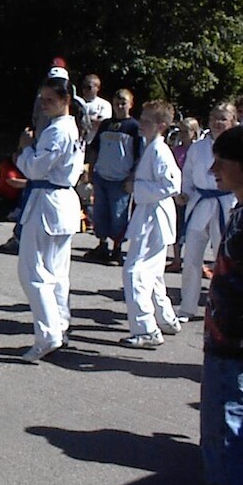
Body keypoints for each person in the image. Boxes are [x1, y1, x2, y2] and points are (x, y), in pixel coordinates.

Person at [170, 125, 243, 485]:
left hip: (237, 345)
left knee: (229, 429)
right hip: (220, 340)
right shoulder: (242, 209)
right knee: (215, 428)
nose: (212, 170)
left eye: (222, 164)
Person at [15, 75, 85, 362]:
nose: (44, 105)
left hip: (49, 203)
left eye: (50, 100)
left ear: (65, 101)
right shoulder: (72, 128)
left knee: (34, 272)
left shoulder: (58, 131)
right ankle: (60, 325)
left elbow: (35, 168)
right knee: (56, 273)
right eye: (42, 99)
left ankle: (48, 334)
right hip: (60, 201)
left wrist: (24, 148)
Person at [120, 101, 183, 348]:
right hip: (150, 213)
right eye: (141, 119)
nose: (141, 124)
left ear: (162, 126)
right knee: (154, 272)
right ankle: (167, 319)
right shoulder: (151, 147)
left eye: (147, 121)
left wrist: (136, 188)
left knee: (134, 271)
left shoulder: (160, 150)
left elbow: (172, 185)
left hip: (154, 217)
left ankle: (146, 329)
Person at [176, 103, 239, 323]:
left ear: (232, 121)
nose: (217, 122)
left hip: (226, 203)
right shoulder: (198, 147)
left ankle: (224, 307)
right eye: (214, 118)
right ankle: (187, 307)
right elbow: (188, 174)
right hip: (200, 203)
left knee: (225, 260)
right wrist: (185, 192)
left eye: (223, 118)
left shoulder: (238, 146)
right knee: (192, 257)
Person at [84, 89, 142, 265]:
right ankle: (102, 245)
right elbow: (95, 148)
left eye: (123, 102)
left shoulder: (134, 127)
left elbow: (139, 155)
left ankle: (117, 249)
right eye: (116, 102)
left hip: (120, 179)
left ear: (131, 104)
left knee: (119, 214)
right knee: (100, 212)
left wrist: (132, 177)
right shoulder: (106, 124)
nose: (119, 106)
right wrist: (91, 170)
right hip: (102, 175)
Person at [165, 117, 202, 273]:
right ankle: (177, 258)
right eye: (181, 131)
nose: (183, 134)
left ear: (194, 133)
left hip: (195, 194)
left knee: (196, 230)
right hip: (178, 194)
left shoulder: (198, 150)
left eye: (186, 131)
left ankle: (195, 261)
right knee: (178, 226)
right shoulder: (175, 151)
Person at [80, 74, 112, 145]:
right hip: (79, 143)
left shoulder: (104, 104)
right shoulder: (78, 103)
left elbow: (104, 123)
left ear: (97, 88)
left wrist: (85, 118)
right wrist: (93, 118)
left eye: (88, 87)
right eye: (83, 86)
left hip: (95, 144)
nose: (85, 90)